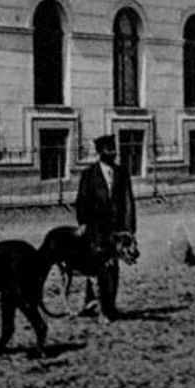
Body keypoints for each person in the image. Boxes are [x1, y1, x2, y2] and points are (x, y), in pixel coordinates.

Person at [75, 134, 136, 322]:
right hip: (95, 228)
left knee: (112, 266)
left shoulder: (121, 172)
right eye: (109, 150)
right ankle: (93, 303)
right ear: (100, 152)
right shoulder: (89, 174)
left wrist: (129, 228)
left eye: (114, 149)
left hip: (116, 229)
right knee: (97, 265)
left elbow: (128, 201)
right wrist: (83, 223)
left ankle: (109, 306)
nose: (113, 153)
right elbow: (81, 201)